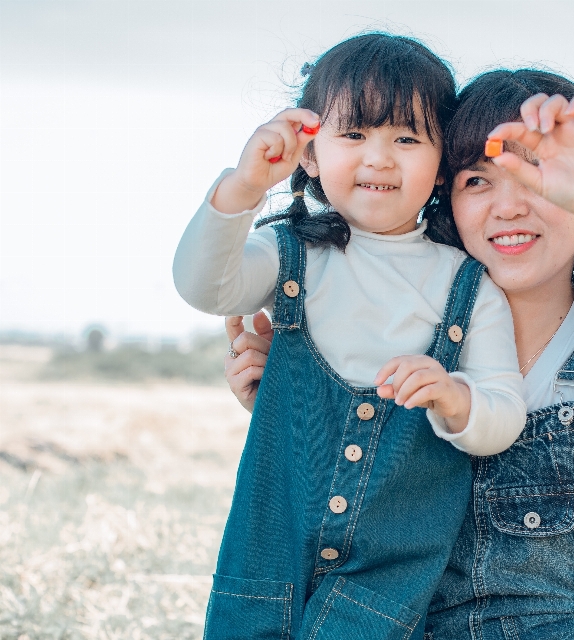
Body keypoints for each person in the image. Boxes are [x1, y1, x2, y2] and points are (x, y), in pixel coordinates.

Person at [224, 68, 574, 639]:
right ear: (445, 197)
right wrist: (296, 403)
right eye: (478, 180)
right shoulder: (397, 349)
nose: (510, 206)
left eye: (538, 175)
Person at [173, 34, 526, 640]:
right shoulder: (290, 255)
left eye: (407, 139)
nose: (380, 159)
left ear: (442, 163)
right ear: (309, 154)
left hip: (386, 588)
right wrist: (243, 185)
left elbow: (503, 414)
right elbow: (202, 286)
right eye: (354, 135)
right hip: (265, 564)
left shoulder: (470, 287)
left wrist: (454, 396)